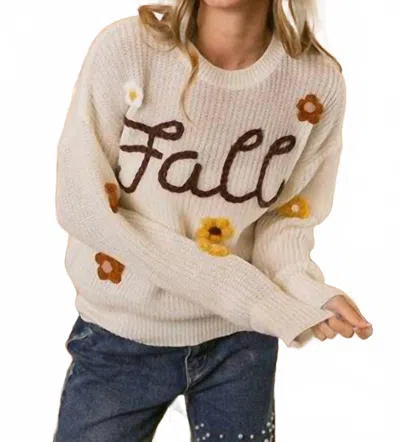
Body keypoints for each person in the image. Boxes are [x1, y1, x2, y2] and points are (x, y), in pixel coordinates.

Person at [53, 0, 373, 440]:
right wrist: (257, 299)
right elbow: (85, 207)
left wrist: (308, 292)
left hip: (240, 345)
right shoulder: (129, 50)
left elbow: (284, 221)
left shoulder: (316, 85)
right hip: (119, 337)